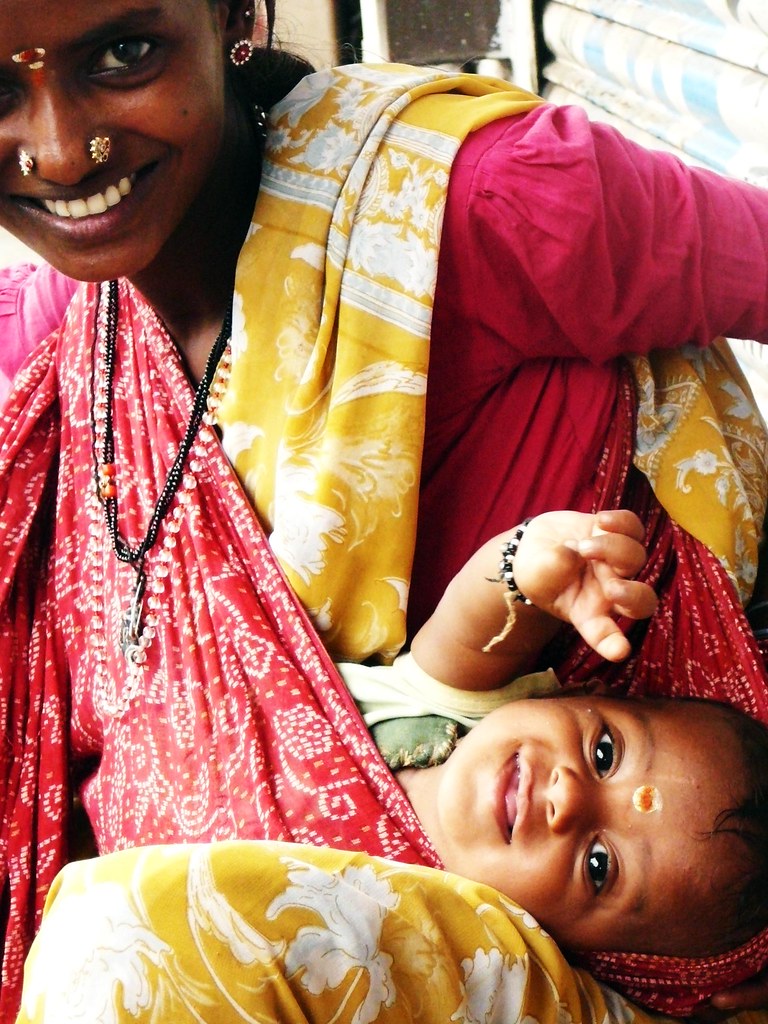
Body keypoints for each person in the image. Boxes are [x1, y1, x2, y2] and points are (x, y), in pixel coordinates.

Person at [1, 0, 768, 1018]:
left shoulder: (482, 206)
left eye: (125, 53)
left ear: (234, 12)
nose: (60, 153)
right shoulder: (67, 338)